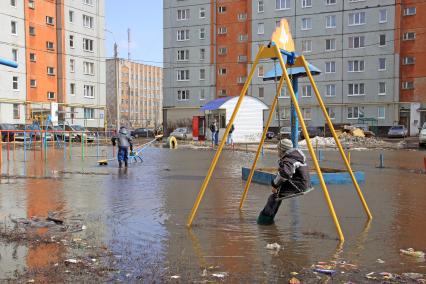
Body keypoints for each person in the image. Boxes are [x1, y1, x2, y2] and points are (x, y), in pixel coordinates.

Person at [257, 139, 311, 225]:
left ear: (282, 150)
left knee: (273, 198)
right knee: (277, 196)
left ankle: (263, 222)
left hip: (300, 186)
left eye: (278, 149)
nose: (277, 152)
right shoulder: (296, 155)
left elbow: (285, 174)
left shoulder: (288, 160)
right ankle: (269, 220)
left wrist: (274, 185)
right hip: (305, 183)